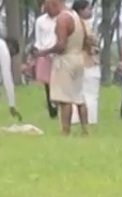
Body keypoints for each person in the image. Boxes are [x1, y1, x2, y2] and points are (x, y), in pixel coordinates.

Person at [32, 0, 90, 136]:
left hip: (65, 60)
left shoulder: (62, 19)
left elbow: (61, 45)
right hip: (78, 58)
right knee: (79, 97)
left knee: (65, 99)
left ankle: (65, 130)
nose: (47, 10)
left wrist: (44, 52)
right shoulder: (76, 17)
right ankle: (85, 129)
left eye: (48, 6)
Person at [72, 0, 99, 126]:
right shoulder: (85, 24)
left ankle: (74, 118)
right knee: (91, 93)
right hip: (87, 61)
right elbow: (89, 41)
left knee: (76, 92)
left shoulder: (70, 23)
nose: (90, 11)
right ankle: (91, 118)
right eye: (88, 9)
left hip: (74, 60)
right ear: (81, 11)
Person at [1, 37, 19, 121]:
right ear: (11, 46)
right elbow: (7, 78)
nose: (11, 56)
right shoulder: (4, 50)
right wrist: (12, 104)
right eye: (13, 53)